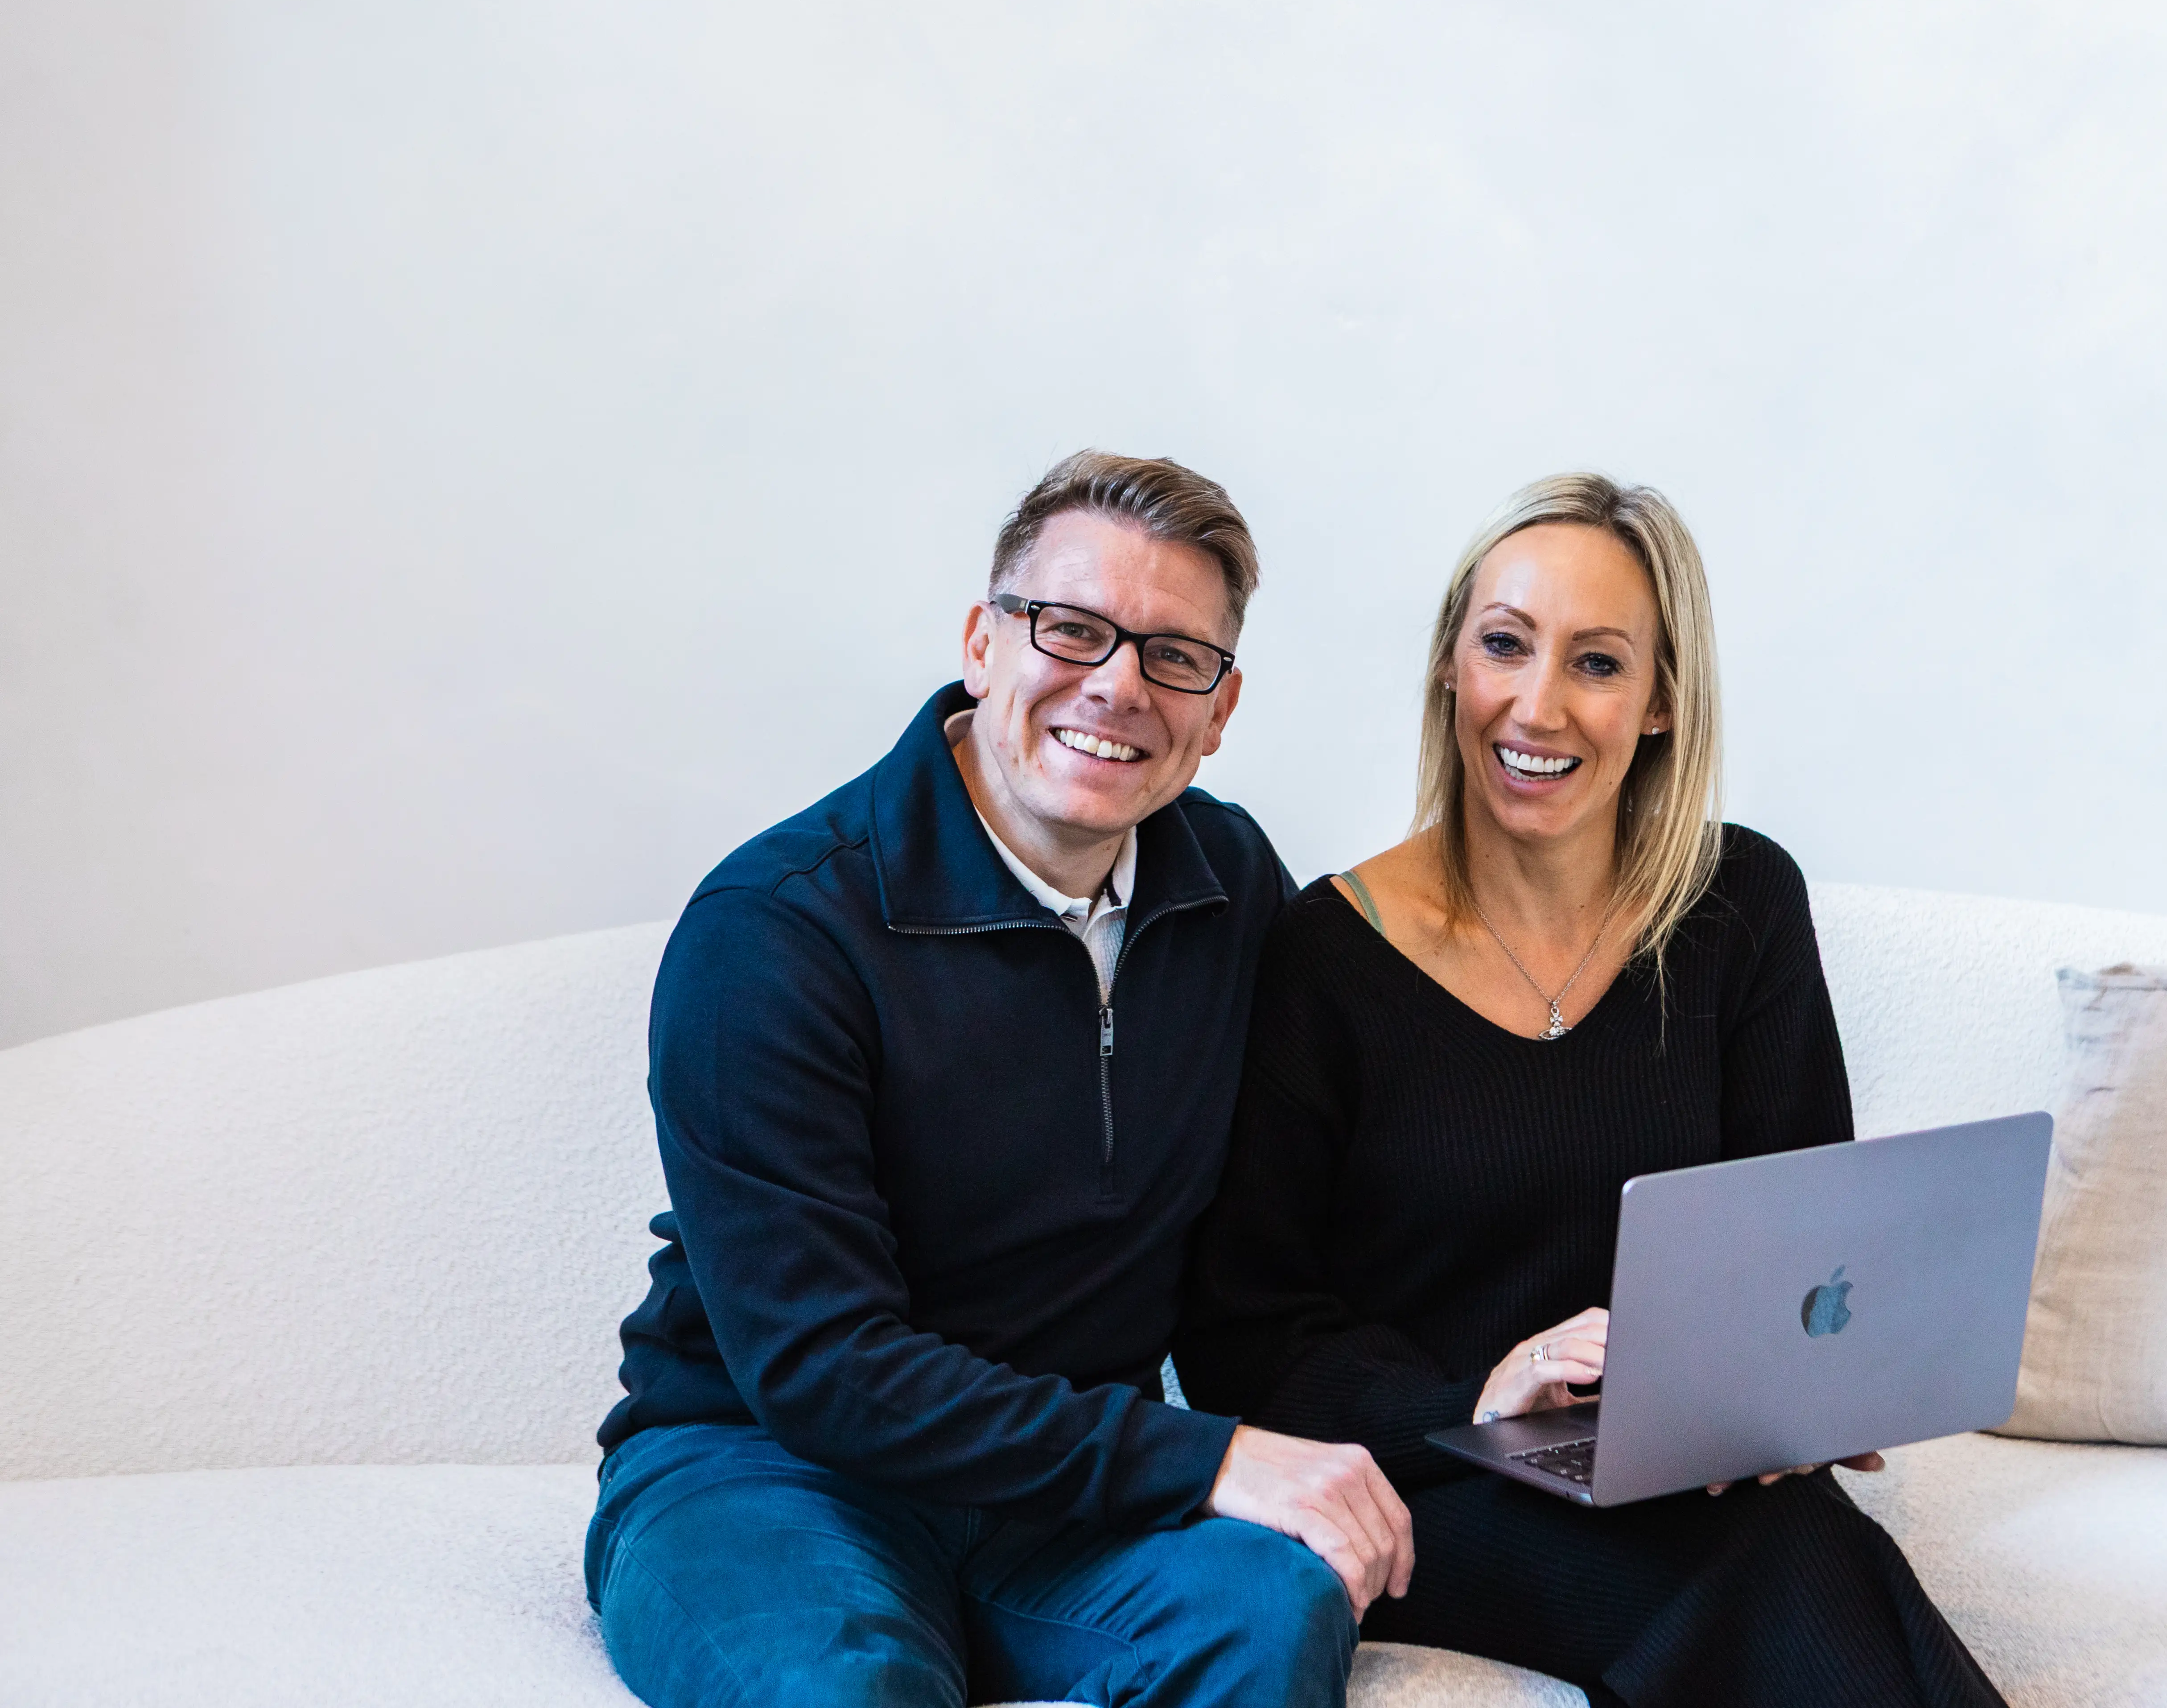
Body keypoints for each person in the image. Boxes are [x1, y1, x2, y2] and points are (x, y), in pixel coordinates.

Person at [587, 451, 1413, 1708]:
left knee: (1272, 1606)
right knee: (843, 1689)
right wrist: (1209, 1456)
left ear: (1222, 705)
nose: (1118, 685)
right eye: (1070, 628)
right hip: (763, 1471)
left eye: (1174, 655)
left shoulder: (1232, 886)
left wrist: (1488, 1385)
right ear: (983, 640)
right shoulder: (776, 929)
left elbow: (1327, 1207)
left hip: (1067, 1503)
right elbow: (823, 1367)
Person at [1176, 473, 2005, 1708]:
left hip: (1693, 1472)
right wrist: (1482, 1393)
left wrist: (1811, 1400)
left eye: (1599, 662)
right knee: (1769, 1573)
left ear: (1663, 698)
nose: (1538, 702)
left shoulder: (1740, 907)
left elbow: (1807, 1243)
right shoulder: (1325, 951)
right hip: (1431, 1480)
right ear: (1450, 666)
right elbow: (1240, 1338)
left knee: (1790, 1546)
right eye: (1504, 644)